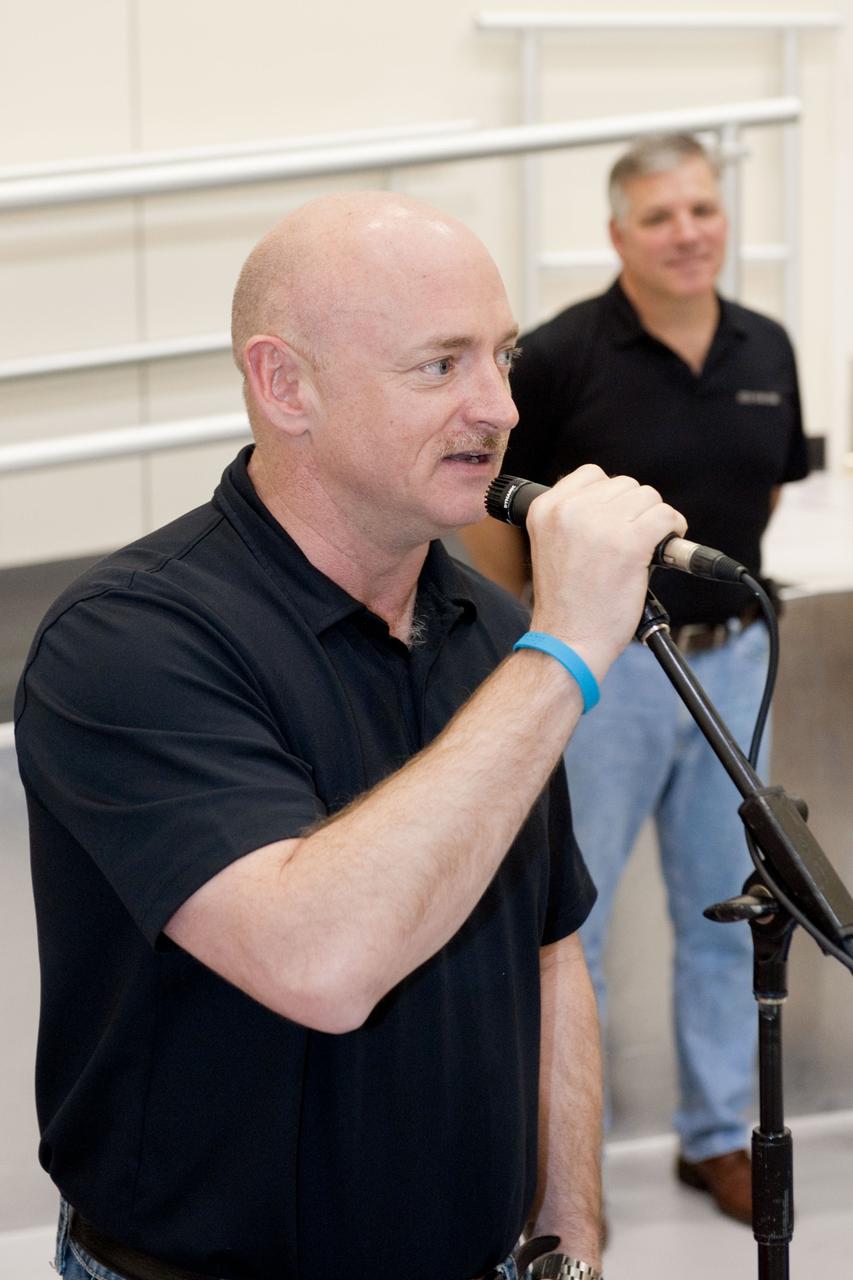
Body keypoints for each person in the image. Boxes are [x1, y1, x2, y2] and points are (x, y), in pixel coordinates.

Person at [15, 191, 685, 1280]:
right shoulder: (127, 642)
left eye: (502, 356)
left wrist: (568, 1237)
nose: (500, 405)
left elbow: (549, 949)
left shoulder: (494, 632)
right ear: (286, 386)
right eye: (441, 365)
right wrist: (566, 648)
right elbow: (320, 962)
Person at [461, 133, 810, 1227]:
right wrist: (549, 636)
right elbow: (492, 514)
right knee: (576, 925)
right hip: (600, 676)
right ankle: (567, 1168)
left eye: (702, 209)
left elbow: (779, 489)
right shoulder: (560, 357)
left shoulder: (768, 345)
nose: (687, 232)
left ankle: (714, 1137)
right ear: (617, 234)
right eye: (659, 216)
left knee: (729, 912)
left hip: (729, 669)